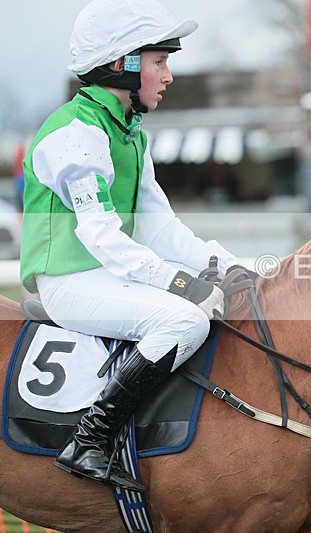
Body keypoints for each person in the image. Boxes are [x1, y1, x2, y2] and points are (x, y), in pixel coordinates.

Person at [20, 0, 251, 493]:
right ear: (121, 63)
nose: (168, 75)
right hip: (69, 282)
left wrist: (235, 266)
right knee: (184, 318)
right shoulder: (75, 133)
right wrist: (177, 281)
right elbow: (100, 235)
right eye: (159, 61)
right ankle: (89, 441)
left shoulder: (129, 134)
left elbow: (161, 230)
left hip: (106, 276)